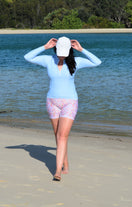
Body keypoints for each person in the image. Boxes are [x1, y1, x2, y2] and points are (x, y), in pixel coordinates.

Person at [24, 36, 101, 181]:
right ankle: (65, 164)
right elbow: (27, 57)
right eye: (60, 51)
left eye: (64, 52)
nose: (61, 55)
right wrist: (44, 47)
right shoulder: (48, 60)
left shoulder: (76, 62)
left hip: (70, 103)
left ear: (69, 50)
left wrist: (81, 49)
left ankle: (57, 171)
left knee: (62, 136)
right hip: (52, 102)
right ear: (56, 48)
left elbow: (97, 62)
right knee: (57, 136)